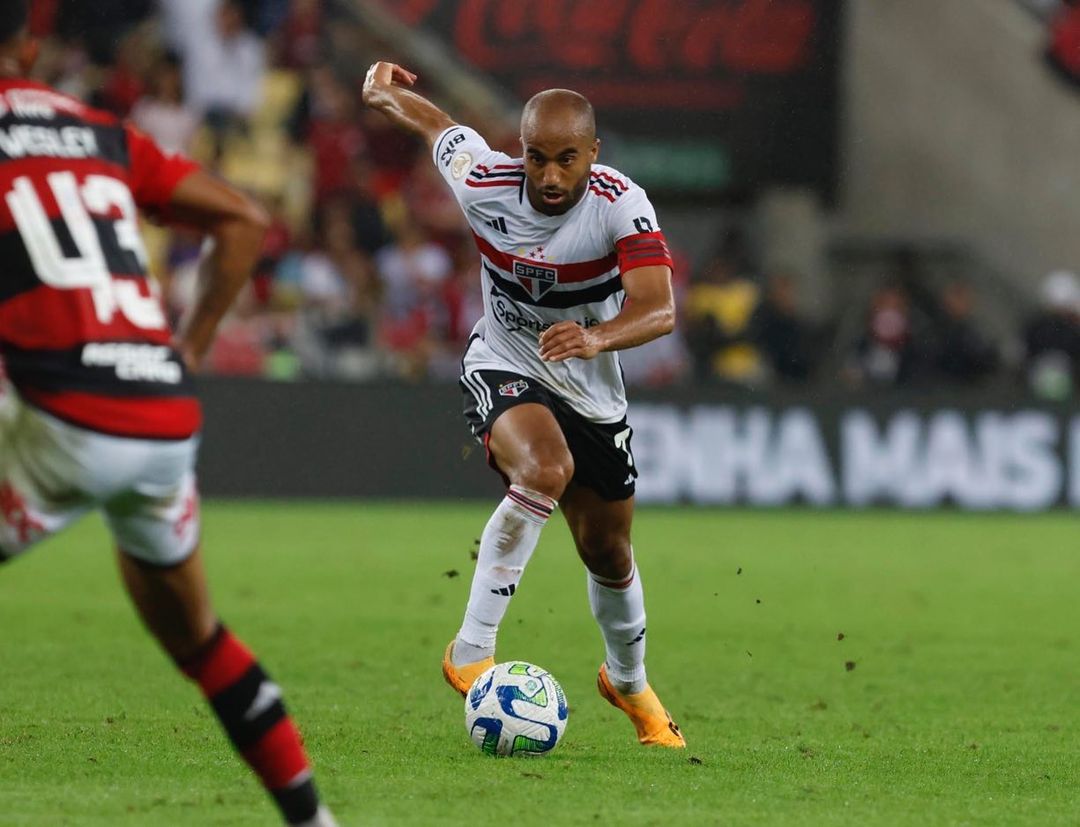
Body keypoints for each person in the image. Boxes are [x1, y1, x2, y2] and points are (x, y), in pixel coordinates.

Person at [0, 6, 335, 825]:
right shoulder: (98, 131)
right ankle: (313, 819)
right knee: (200, 639)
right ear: (32, 44)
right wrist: (189, 343)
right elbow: (245, 220)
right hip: (158, 412)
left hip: (61, 415)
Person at [362, 61, 685, 748]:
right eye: (537, 157)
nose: (549, 176)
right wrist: (382, 89)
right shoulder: (485, 182)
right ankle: (472, 646)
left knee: (609, 549)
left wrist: (596, 335)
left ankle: (628, 681)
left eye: (566, 159)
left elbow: (659, 309)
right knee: (544, 468)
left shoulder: (621, 204)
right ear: (522, 149)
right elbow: (438, 127)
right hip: (505, 361)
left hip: (590, 385)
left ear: (592, 155)